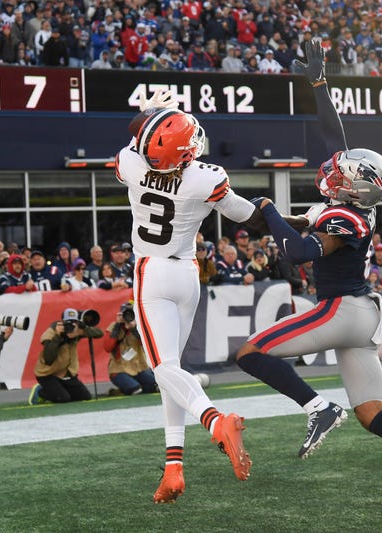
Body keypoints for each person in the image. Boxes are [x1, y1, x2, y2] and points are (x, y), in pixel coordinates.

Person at [234, 39, 382, 530]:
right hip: (361, 315)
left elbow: (301, 252)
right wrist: (319, 84)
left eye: (343, 173)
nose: (334, 169)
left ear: (352, 188)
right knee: (372, 413)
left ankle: (318, 408)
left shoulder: (345, 219)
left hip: (341, 311)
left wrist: (275, 214)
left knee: (250, 353)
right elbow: (331, 137)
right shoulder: (352, 207)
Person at [115, 90, 272, 503]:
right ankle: (173, 469)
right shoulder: (206, 178)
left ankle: (216, 421)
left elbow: (138, 142)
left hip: (151, 273)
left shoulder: (131, 163)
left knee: (164, 370)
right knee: (173, 373)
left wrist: (147, 113)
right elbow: (245, 214)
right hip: (188, 275)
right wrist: (284, 218)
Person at [28, 308, 104, 404]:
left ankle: (58, 389)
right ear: (62, 322)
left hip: (66, 373)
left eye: (74, 322)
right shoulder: (52, 332)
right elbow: (48, 358)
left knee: (85, 397)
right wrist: (59, 337)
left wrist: (82, 330)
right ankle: (40, 392)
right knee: (63, 398)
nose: (71, 326)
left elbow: (99, 333)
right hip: (48, 373)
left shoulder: (77, 330)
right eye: (68, 323)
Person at [102, 302, 158, 396]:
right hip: (119, 370)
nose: (127, 317)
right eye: (125, 314)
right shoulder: (114, 327)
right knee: (136, 390)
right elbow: (108, 347)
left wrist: (133, 328)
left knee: (155, 386)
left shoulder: (140, 326)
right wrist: (117, 326)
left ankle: (120, 391)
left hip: (139, 368)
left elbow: (147, 345)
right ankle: (123, 390)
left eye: (130, 314)